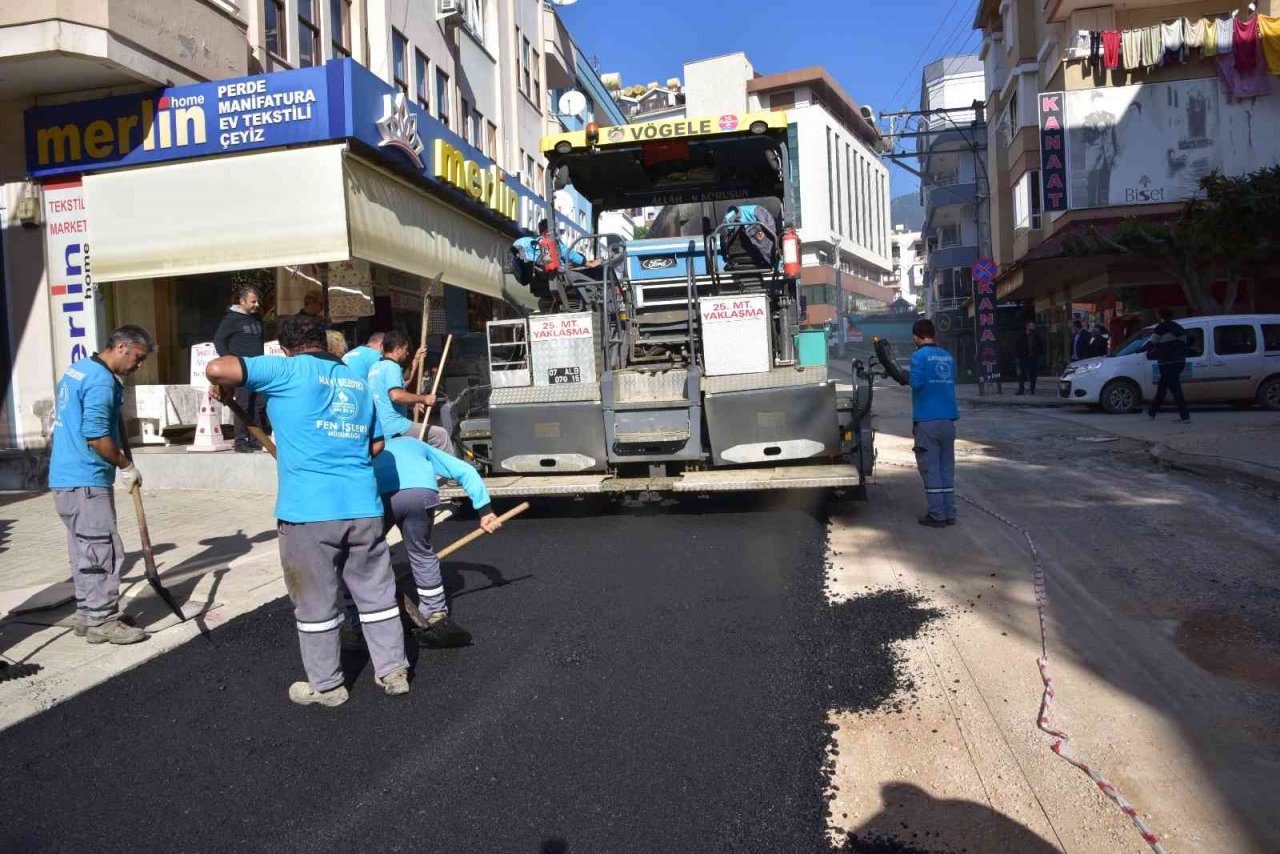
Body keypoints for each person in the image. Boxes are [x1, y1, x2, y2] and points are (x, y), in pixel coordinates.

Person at [205, 315, 410, 707]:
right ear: (324, 342)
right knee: (376, 595)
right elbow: (377, 445)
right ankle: (393, 671)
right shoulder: (356, 382)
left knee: (316, 602)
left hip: (308, 511)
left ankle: (328, 686)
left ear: (284, 347)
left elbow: (218, 367)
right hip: (362, 506)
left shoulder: (285, 368)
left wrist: (222, 386)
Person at [49, 326, 155, 644]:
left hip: (64, 479)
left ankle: (88, 613)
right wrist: (126, 465)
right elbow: (96, 436)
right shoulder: (99, 381)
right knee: (102, 551)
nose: (138, 367)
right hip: (86, 479)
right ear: (121, 347)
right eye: (137, 359)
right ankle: (103, 621)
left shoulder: (78, 369)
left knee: (83, 550)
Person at [371, 436, 501, 647]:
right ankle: (434, 613)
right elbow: (465, 470)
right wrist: (485, 511)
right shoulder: (416, 444)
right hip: (421, 494)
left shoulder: (369, 447)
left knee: (370, 555)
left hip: (379, 496)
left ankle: (372, 615)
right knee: (421, 553)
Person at [905, 319, 959, 528]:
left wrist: (904, 375)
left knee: (931, 469)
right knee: (946, 467)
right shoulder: (947, 356)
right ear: (933, 335)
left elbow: (916, 383)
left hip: (927, 421)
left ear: (916, 337)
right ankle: (950, 512)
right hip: (948, 420)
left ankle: (937, 515)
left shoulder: (919, 356)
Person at [368, 331, 454, 454]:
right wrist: (423, 399)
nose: (407, 353)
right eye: (405, 349)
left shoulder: (376, 367)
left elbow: (401, 385)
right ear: (398, 349)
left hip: (381, 427)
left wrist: (416, 360)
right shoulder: (392, 367)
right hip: (396, 426)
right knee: (441, 435)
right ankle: (448, 472)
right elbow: (396, 395)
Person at [213, 285, 267, 452]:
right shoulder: (231, 320)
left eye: (257, 301)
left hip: (257, 367)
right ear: (242, 301)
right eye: (253, 301)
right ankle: (241, 441)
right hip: (241, 368)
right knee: (243, 404)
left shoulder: (257, 318)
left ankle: (256, 439)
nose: (256, 304)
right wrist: (229, 360)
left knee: (257, 404)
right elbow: (219, 340)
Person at [1144, 307, 1191, 423]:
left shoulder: (1161, 328)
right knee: (1162, 389)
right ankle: (1152, 413)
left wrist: (1141, 350)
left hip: (1167, 363)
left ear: (1160, 316)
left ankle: (1185, 417)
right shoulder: (1179, 327)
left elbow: (1152, 342)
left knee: (1175, 389)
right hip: (1179, 361)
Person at [1014, 321, 1043, 395]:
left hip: (1033, 357)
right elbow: (1017, 346)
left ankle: (1032, 389)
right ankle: (1021, 390)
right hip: (1023, 357)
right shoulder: (1022, 335)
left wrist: (1038, 355)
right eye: (1031, 326)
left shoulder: (1036, 335)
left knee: (1033, 374)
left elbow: (1041, 346)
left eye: (1033, 326)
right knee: (1022, 374)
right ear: (1027, 326)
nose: (1033, 327)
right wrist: (1018, 356)